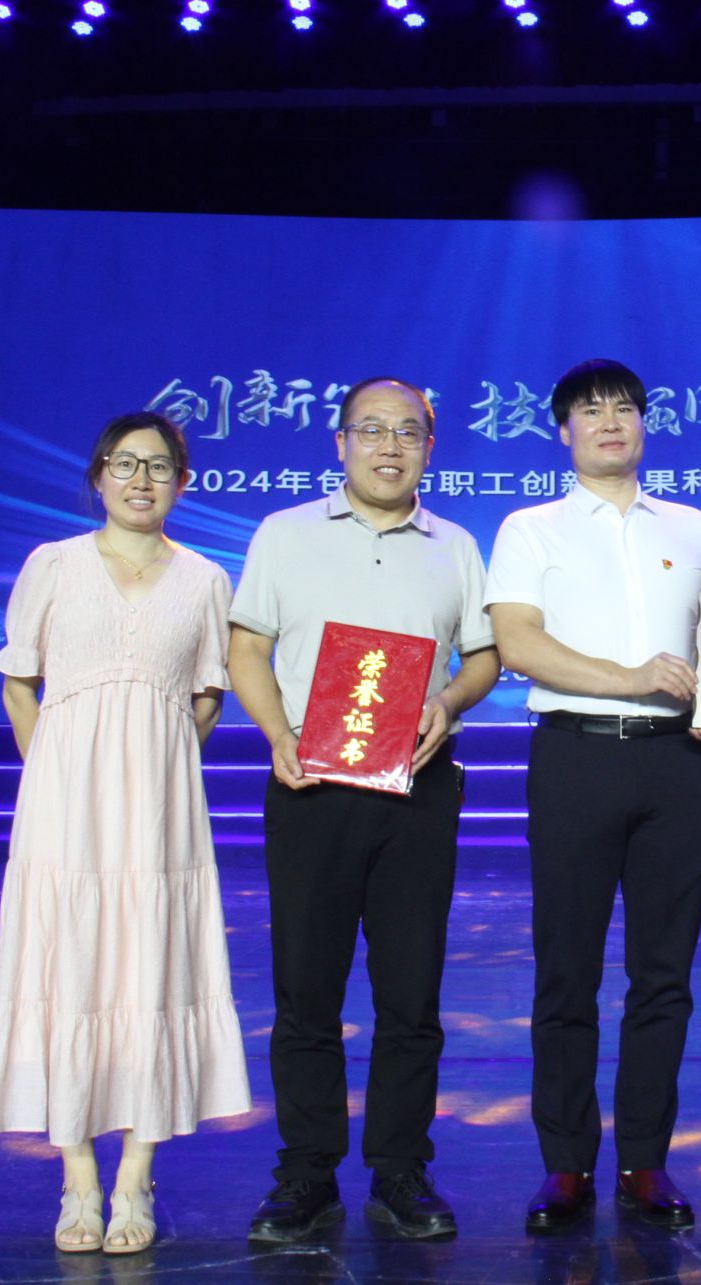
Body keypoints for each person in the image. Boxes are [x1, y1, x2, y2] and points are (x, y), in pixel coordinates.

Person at [230, 379, 499, 1244]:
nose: (390, 446)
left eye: (409, 432)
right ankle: (306, 1172)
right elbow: (247, 647)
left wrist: (448, 700)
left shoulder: (455, 545)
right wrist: (278, 733)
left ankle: (400, 1167)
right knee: (305, 991)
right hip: (310, 785)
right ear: (340, 442)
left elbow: (484, 656)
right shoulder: (284, 533)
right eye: (372, 430)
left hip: (418, 785)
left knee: (410, 991)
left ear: (430, 448)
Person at [0, 411, 251, 1255]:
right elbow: (19, 681)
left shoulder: (205, 578)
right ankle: (77, 1181)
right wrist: (52, 771)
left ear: (182, 483)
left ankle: (135, 1176)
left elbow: (207, 694)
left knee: (149, 968)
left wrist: (160, 767)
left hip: (160, 811)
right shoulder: (53, 564)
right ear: (98, 475)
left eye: (159, 466)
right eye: (125, 464)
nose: (141, 480)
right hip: (65, 804)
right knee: (70, 964)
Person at [484, 358, 701, 1232]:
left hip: (679, 765)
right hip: (576, 758)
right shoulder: (529, 529)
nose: (610, 422)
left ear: (645, 423)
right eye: (590, 411)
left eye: (625, 408)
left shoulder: (697, 528)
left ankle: (645, 1159)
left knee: (664, 973)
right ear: (564, 430)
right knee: (567, 970)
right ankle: (565, 1163)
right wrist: (632, 678)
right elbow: (518, 644)